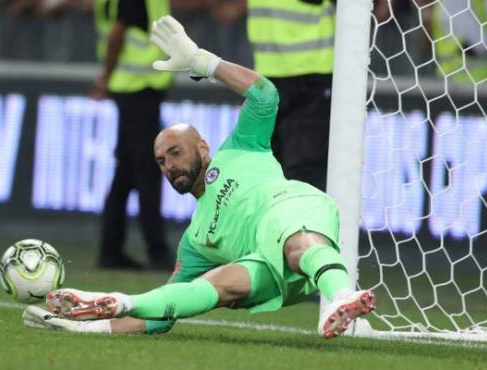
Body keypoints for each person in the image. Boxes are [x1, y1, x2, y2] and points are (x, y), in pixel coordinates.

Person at [23, 15, 376, 339]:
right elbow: (164, 313)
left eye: (175, 153)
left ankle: (343, 296)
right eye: (161, 161)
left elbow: (265, 95)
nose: (168, 165)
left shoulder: (241, 148)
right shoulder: (195, 240)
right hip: (272, 272)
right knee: (211, 287)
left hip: (292, 210)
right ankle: (114, 304)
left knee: (293, 240)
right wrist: (86, 328)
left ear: (203, 149)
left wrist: (200, 61)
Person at [93, 0, 174, 270]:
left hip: (134, 88)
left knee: (126, 171)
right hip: (138, 88)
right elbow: (117, 33)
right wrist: (105, 76)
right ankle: (157, 251)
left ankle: (110, 250)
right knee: (149, 170)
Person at [245, 0, 336, 191]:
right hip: (267, 72)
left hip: (312, 71)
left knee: (304, 174)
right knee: (266, 172)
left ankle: (305, 221)